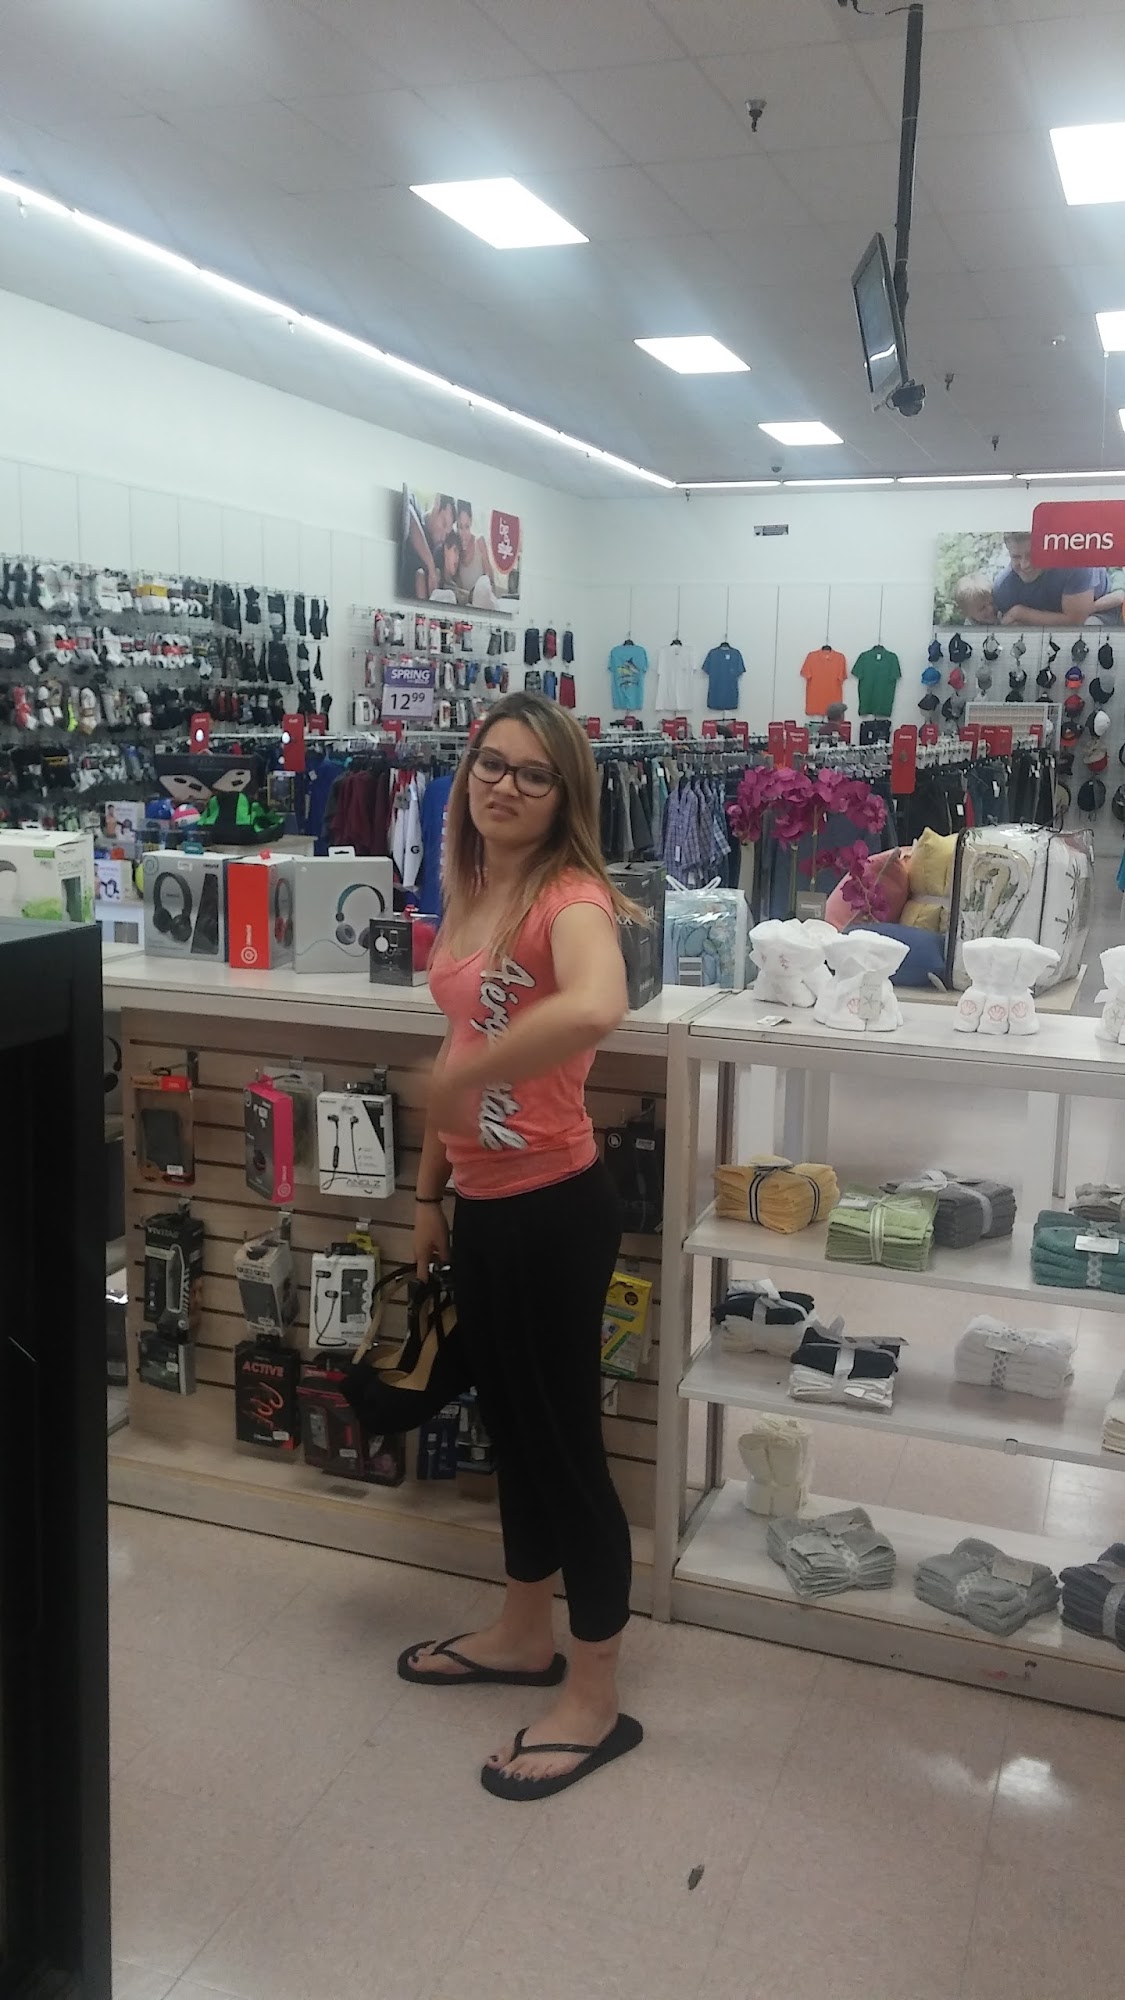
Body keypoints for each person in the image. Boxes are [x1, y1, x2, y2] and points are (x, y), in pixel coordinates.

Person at [402, 692, 646, 1801]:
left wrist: (472, 1074)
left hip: (553, 1208)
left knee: (565, 1450)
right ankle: (520, 1632)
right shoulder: (473, 884)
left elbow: (597, 1005)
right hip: (486, 1206)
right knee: (514, 1433)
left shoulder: (570, 899)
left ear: (564, 795)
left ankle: (593, 1694)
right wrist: (428, 1191)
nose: (504, 784)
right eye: (489, 763)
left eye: (532, 773)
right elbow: (458, 1033)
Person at [956, 534, 1124, 627]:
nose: (1025, 564)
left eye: (1032, 555)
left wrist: (1020, 612)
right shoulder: (1004, 586)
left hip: (1101, 614)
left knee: (1090, 626)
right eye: (1016, 557)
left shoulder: (1075, 564)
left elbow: (1075, 621)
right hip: (1052, 624)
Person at [402, 492, 455, 600]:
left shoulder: (438, 550)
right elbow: (408, 512)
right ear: (437, 504)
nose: (443, 537)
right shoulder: (416, 508)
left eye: (446, 534)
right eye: (443, 523)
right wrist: (430, 565)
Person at [453, 500, 500, 606]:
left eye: (467, 527)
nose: (463, 533)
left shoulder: (479, 542)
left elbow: (490, 580)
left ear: (471, 522)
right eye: (460, 527)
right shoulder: (455, 547)